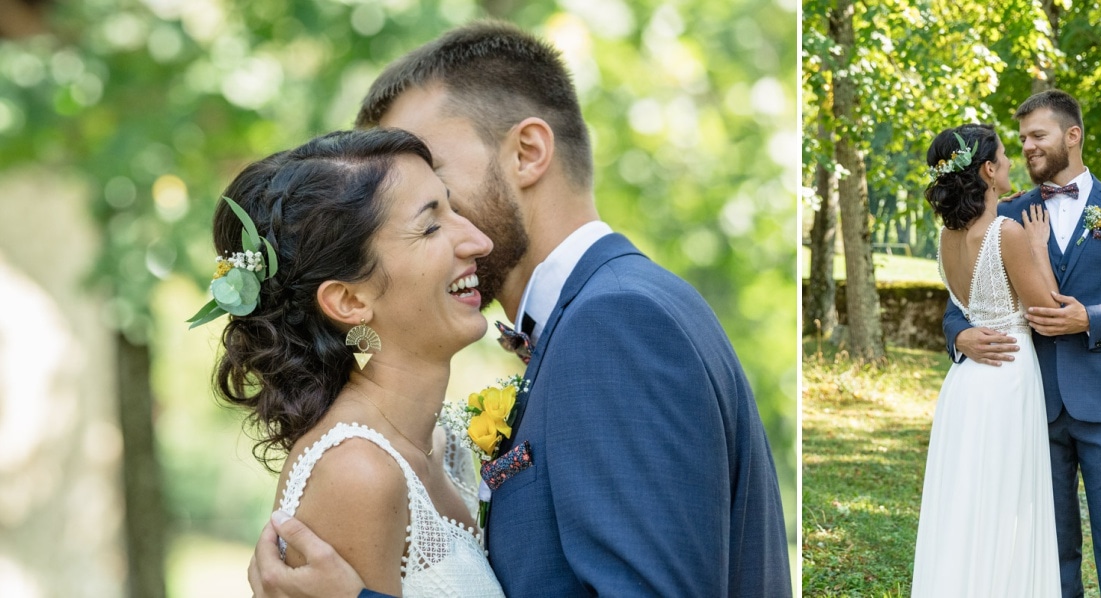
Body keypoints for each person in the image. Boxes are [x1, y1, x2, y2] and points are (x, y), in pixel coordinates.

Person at [249, 20, 792, 597]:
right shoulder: (616, 309)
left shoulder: (615, 325)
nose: (465, 237)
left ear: (528, 153)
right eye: (426, 217)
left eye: (441, 187)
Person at [199, 128, 503, 597]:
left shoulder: (445, 443)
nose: (478, 241)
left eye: (454, 209)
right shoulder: (357, 473)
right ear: (348, 301)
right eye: (430, 226)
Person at [945, 90, 1101, 597]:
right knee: (1048, 549)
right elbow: (961, 300)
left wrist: (1089, 318)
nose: (1026, 147)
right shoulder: (1004, 214)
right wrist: (960, 335)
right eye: (1021, 139)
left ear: (1073, 136)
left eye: (1037, 136)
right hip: (1029, 405)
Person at [912, 123, 1061, 596]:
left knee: (966, 500)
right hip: (1007, 378)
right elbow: (1046, 311)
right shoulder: (1007, 233)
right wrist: (1037, 247)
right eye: (1003, 155)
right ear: (988, 169)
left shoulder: (946, 237)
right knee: (1004, 501)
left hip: (966, 383)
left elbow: (963, 308)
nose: (1012, 162)